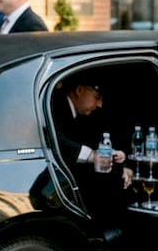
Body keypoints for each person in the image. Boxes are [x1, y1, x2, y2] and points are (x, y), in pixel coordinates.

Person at [49, 72, 134, 219]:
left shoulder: (79, 114)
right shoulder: (56, 107)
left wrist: (119, 160)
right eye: (97, 97)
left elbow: (96, 143)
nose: (100, 104)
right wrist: (92, 156)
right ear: (80, 90)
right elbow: (56, 140)